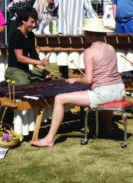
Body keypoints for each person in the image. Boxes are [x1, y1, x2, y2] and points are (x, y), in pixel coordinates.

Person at [31, 17, 125, 147]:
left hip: (104, 93)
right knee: (101, 94)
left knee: (59, 98)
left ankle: (49, 139)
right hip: (119, 90)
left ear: (91, 34)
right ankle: (108, 128)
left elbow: (88, 80)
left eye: (86, 32)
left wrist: (74, 80)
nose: (84, 35)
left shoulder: (89, 51)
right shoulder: (111, 48)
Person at [5, 6, 50, 85]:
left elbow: (34, 57)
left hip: (26, 70)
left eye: (35, 22)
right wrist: (40, 62)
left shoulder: (31, 35)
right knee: (25, 84)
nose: (34, 25)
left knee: (51, 79)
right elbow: (20, 58)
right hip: (14, 70)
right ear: (23, 21)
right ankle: (6, 83)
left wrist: (44, 71)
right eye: (32, 22)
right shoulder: (16, 34)